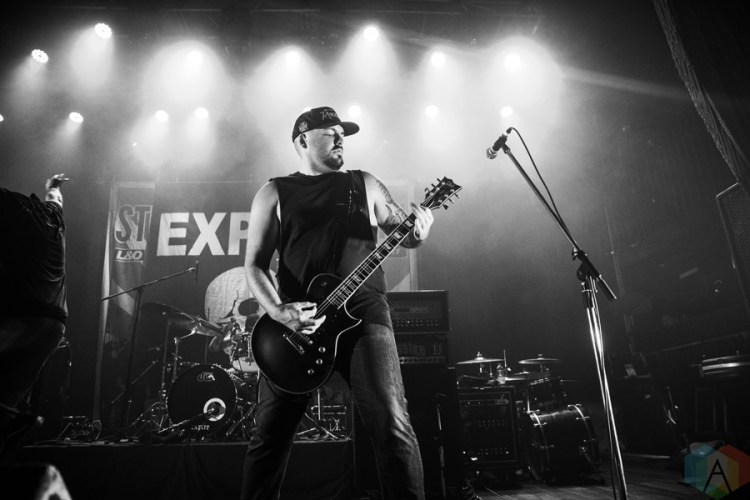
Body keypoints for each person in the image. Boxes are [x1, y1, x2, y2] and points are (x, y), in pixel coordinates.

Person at [241, 107, 434, 499]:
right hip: (298, 326)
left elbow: (404, 232)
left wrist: (419, 232)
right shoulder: (274, 192)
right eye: (330, 133)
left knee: (392, 421)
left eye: (343, 133)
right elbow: (255, 265)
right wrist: (279, 311)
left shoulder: (364, 183)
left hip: (364, 314)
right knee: (269, 437)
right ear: (303, 140)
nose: (341, 139)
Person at [0, 174, 69, 455]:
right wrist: (53, 187)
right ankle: (15, 425)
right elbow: (55, 199)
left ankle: (17, 423)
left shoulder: (12, 207)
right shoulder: (54, 217)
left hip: (22, 317)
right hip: (54, 326)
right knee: (7, 397)